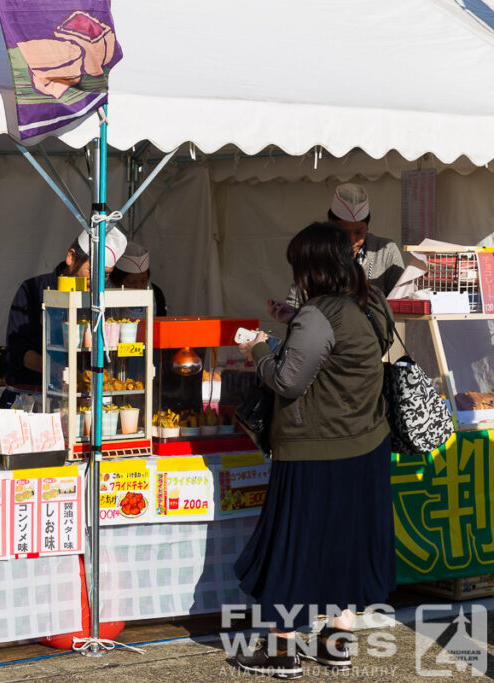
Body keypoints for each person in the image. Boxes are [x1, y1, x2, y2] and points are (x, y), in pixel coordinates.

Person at [233, 222, 396, 678]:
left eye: (299, 265)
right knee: (344, 547)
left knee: (294, 547)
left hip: (315, 451)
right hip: (367, 444)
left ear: (314, 267)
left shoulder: (318, 314)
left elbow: (288, 379)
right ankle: (335, 643)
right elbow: (345, 353)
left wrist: (261, 348)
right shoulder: (372, 303)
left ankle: (281, 650)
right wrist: (293, 322)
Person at [5, 227, 127, 391]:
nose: (97, 281)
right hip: (34, 392)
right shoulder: (32, 289)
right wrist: (59, 370)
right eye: (91, 270)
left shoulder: (102, 300)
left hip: (85, 395)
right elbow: (19, 350)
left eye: (105, 275)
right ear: (71, 257)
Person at [268, 183, 404, 323]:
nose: (351, 240)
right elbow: (296, 301)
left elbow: (402, 301)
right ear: (330, 227)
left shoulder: (385, 250)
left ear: (367, 228)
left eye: (359, 232)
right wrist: (291, 314)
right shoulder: (317, 254)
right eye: (343, 232)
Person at [109, 242, 167, 315]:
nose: (139, 286)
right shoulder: (105, 293)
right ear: (116, 281)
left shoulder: (156, 294)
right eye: (132, 282)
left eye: (143, 281)